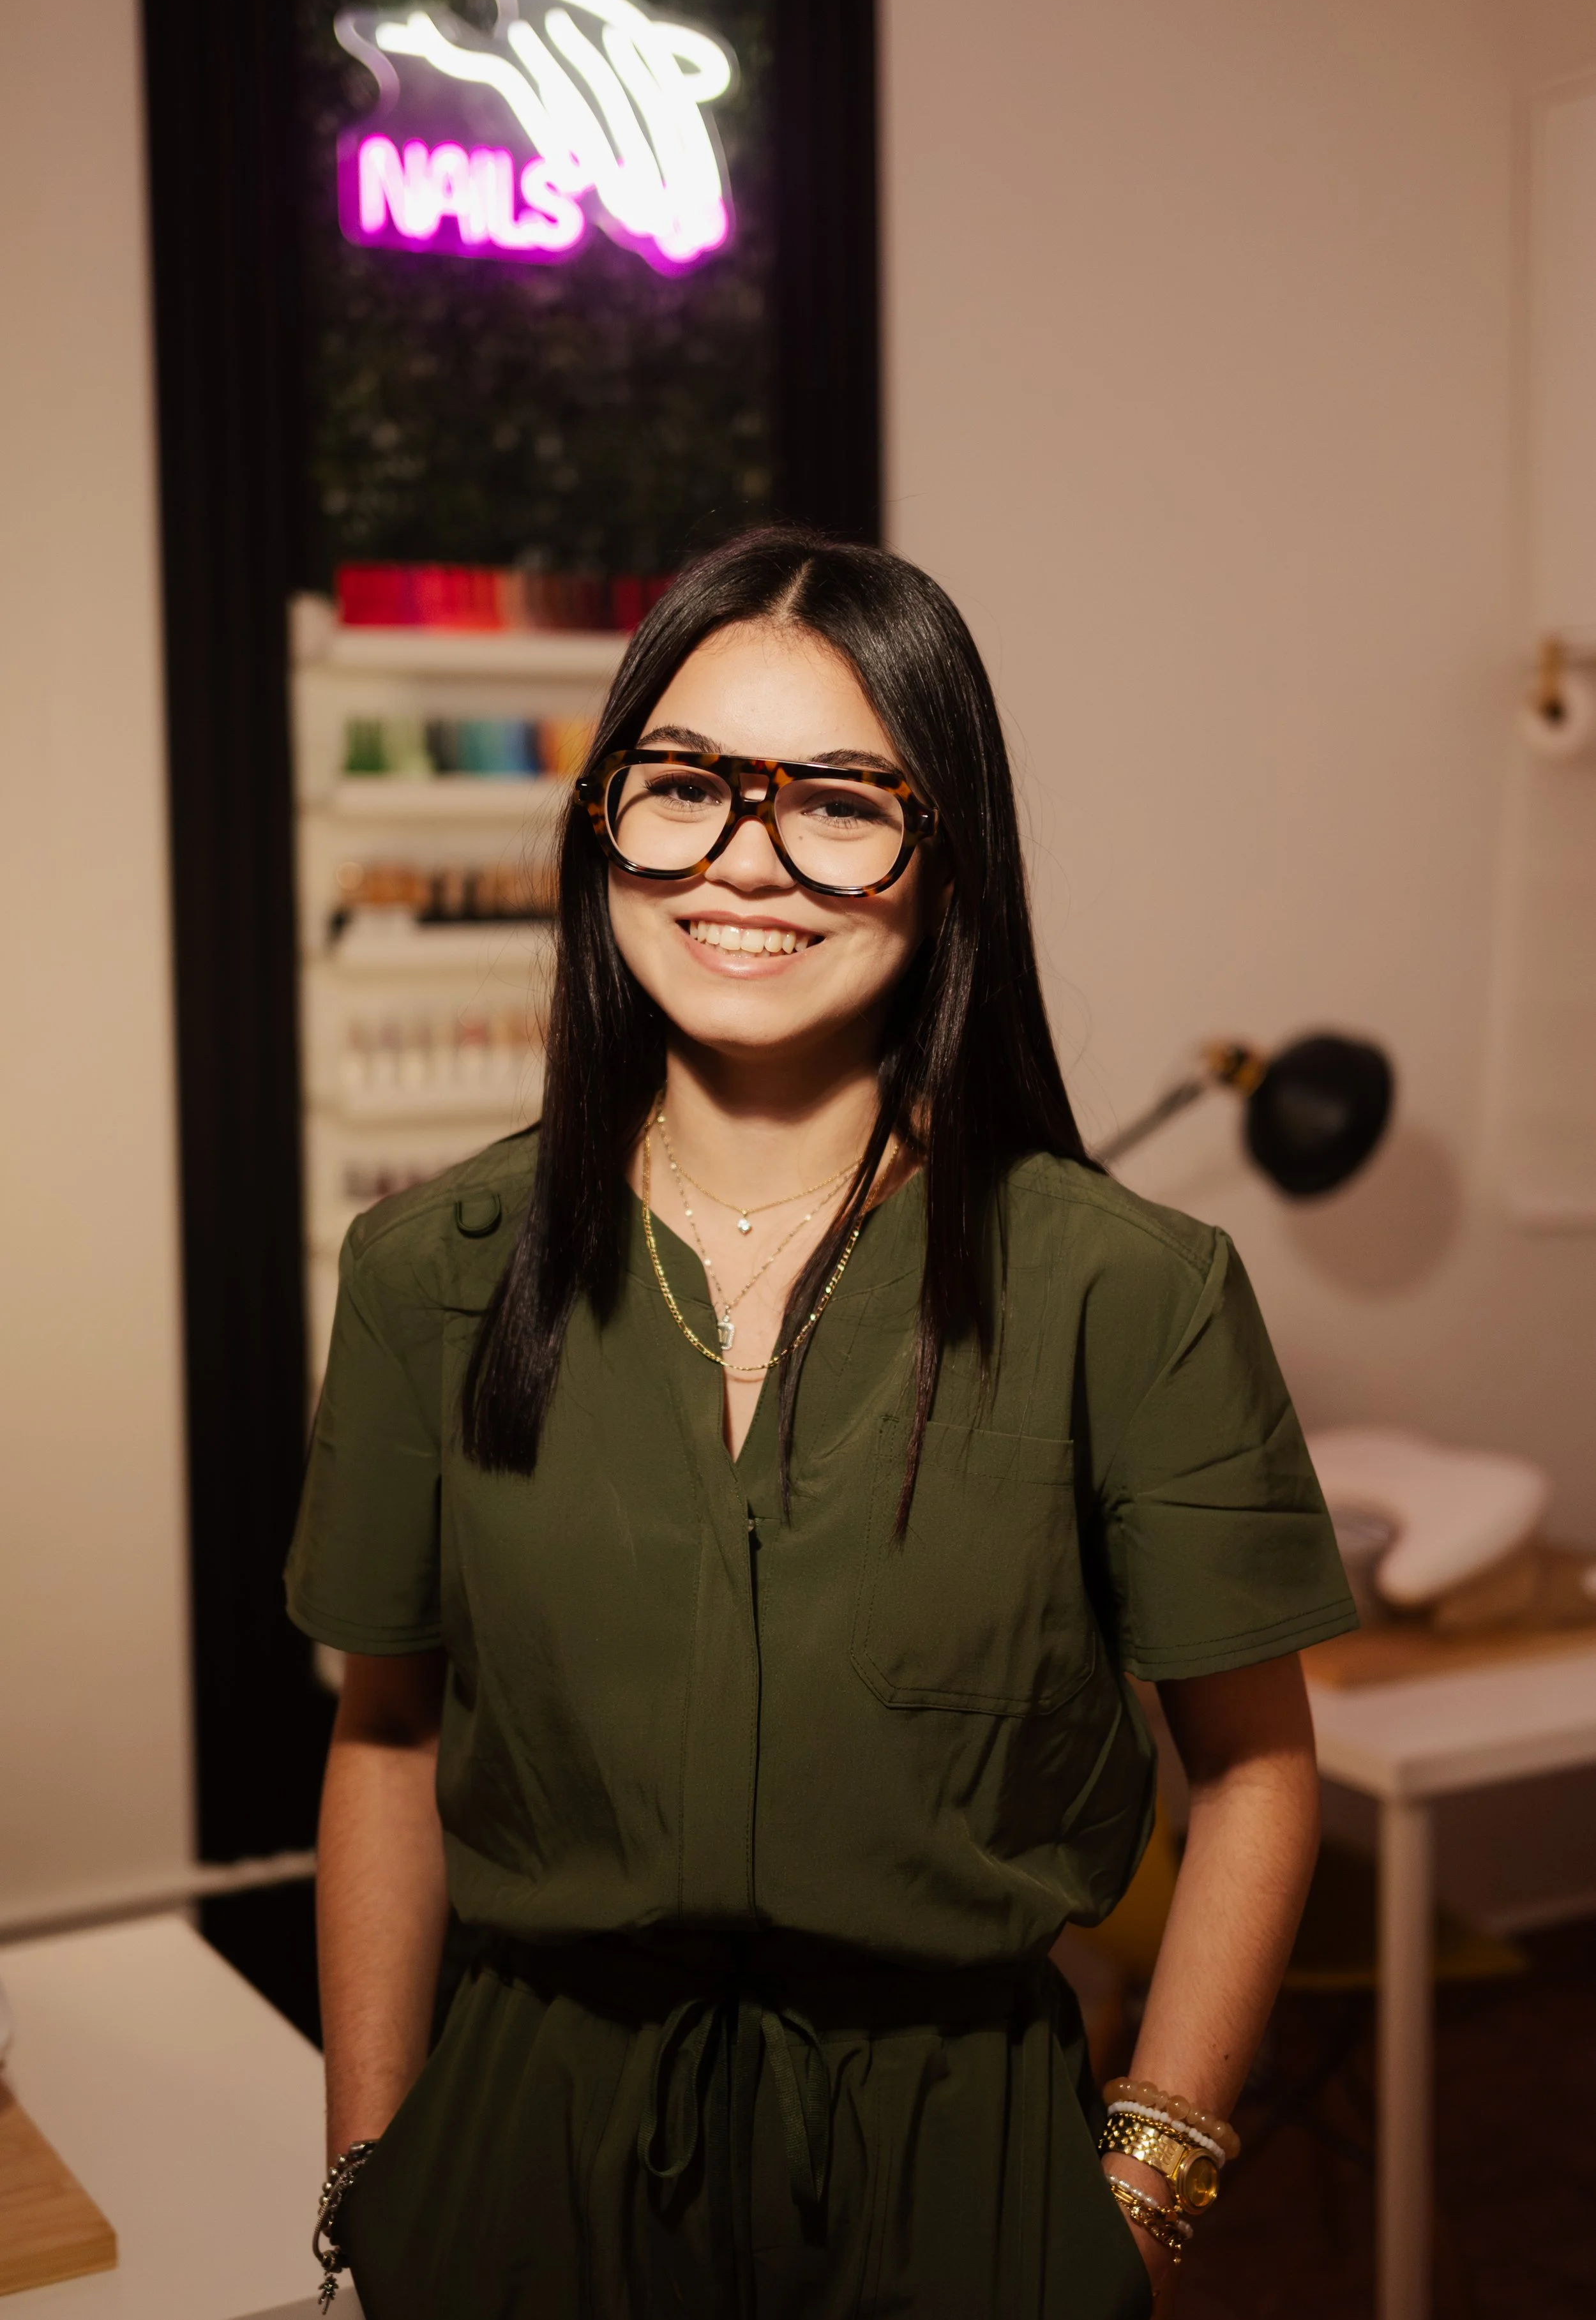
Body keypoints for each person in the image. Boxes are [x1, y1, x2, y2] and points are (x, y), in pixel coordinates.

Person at [287, 528, 1355, 2319]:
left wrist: (1147, 2193)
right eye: (686, 787)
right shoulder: (427, 1271)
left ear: (948, 863)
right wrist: (376, 2173)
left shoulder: (1128, 1295)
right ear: (602, 826)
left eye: (840, 801)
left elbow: (1253, 1770)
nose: (744, 863)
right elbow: (388, 1737)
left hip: (964, 2176)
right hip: (517, 2168)